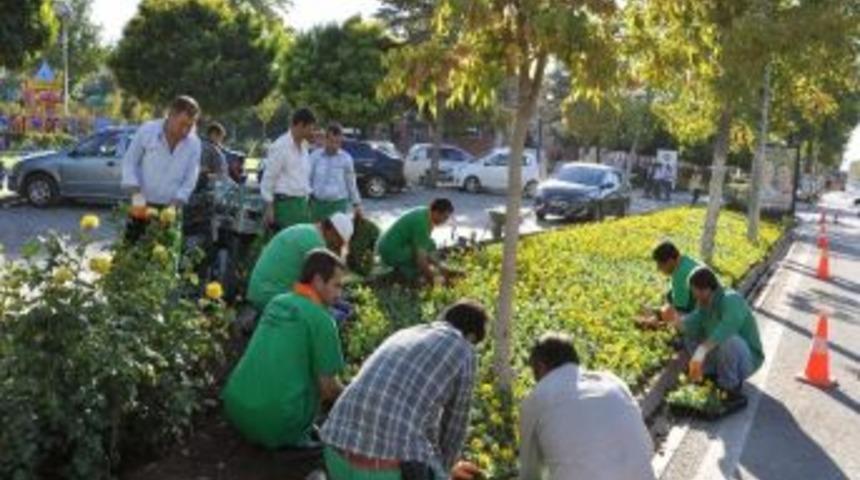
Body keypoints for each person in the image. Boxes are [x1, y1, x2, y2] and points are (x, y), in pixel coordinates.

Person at [320, 299, 488, 480]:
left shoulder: (406, 333)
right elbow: (455, 426)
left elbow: (425, 423)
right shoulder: (464, 350)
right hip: (382, 470)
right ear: (471, 337)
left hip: (333, 452)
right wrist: (444, 471)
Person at [221, 249, 347, 449]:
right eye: (337, 285)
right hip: (276, 424)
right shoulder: (323, 320)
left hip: (236, 408)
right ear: (317, 281)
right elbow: (329, 388)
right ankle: (299, 437)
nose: (340, 294)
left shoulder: (277, 302)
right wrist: (354, 399)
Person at [519, 332, 655, 480]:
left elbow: (530, 473)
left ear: (540, 366)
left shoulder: (536, 398)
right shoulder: (613, 382)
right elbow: (647, 447)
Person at [668, 267, 764, 408]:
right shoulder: (704, 304)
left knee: (727, 339)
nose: (694, 295)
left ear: (705, 289)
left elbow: (725, 330)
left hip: (746, 361)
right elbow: (691, 322)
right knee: (689, 336)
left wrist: (700, 352)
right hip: (721, 356)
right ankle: (709, 375)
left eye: (694, 291)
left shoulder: (731, 299)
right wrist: (674, 321)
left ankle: (729, 386)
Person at [121, 95, 202, 241]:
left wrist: (174, 205)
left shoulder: (194, 144)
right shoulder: (147, 131)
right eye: (182, 124)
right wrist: (137, 197)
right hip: (141, 204)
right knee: (131, 256)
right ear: (170, 115)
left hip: (172, 208)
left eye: (190, 126)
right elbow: (130, 162)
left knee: (165, 259)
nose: (185, 131)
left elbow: (191, 178)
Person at [246, 212, 353, 312]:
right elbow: (320, 288)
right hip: (271, 298)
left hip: (259, 291)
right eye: (338, 242)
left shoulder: (306, 230)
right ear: (332, 231)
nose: (336, 247)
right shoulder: (315, 243)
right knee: (333, 316)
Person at [376, 198, 458, 284]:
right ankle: (406, 274)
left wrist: (440, 267)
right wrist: (432, 279)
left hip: (388, 245)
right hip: (390, 252)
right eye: (445, 217)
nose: (445, 221)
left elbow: (426, 246)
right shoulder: (421, 223)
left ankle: (440, 269)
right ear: (436, 212)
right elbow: (421, 258)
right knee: (420, 256)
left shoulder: (425, 212)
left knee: (430, 244)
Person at [260, 108, 317, 230]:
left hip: (302, 206)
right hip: (285, 207)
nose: (312, 132)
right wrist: (269, 208)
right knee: (288, 246)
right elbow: (268, 179)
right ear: (301, 125)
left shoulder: (304, 147)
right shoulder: (280, 146)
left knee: (303, 247)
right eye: (310, 128)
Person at [309, 123, 362, 221]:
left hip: (338, 206)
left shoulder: (346, 159)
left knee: (337, 235)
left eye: (338, 142)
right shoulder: (314, 157)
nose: (335, 145)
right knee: (316, 235)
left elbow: (351, 183)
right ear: (325, 139)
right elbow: (308, 179)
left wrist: (357, 204)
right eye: (332, 141)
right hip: (317, 206)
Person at [651, 240, 702, 323]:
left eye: (660, 265)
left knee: (677, 319)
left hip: (709, 316)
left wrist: (660, 316)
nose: (658, 269)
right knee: (670, 295)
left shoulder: (680, 275)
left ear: (670, 261)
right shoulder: (685, 260)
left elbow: (680, 310)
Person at [197, 121, 230, 189]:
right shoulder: (206, 148)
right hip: (211, 186)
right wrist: (214, 175)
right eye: (220, 136)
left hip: (220, 183)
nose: (221, 140)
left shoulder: (216, 147)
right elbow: (202, 168)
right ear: (213, 134)